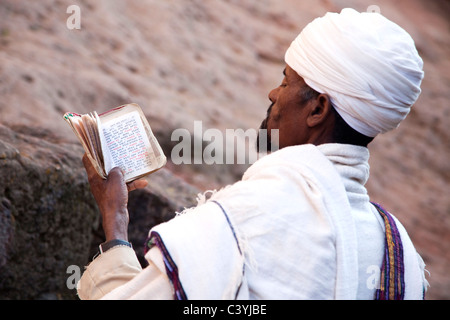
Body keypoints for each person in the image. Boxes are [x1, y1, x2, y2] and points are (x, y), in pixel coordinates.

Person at [77, 8, 428, 300]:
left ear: (318, 110)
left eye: (287, 81)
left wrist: (116, 220)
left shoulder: (245, 217)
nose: (274, 93)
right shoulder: (401, 254)